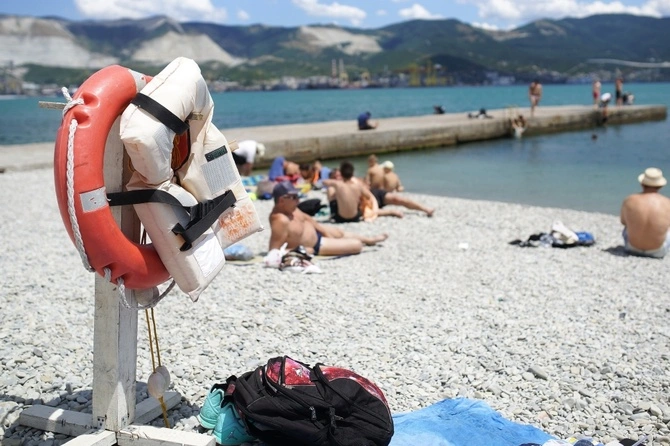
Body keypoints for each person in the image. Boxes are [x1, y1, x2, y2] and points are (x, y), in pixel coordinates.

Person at [268, 181, 388, 256]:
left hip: (317, 232)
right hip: (316, 245)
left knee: (339, 232)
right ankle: (362, 243)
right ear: (282, 200)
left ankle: (370, 240)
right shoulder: (280, 220)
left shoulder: (292, 209)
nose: (298, 200)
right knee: (356, 245)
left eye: (297, 196)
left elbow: (308, 219)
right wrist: (302, 251)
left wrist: (324, 231)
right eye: (294, 197)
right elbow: (274, 251)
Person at [620, 167, 670, 259]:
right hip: (657, 251)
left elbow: (623, 222)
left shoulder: (629, 200)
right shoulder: (667, 203)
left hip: (632, 248)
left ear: (642, 184)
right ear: (660, 186)